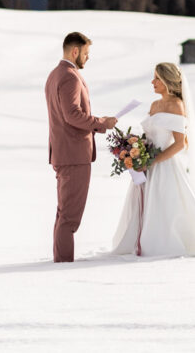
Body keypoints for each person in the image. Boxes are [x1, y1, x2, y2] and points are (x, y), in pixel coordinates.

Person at [112, 62, 195, 257]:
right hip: (146, 166)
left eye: (157, 78)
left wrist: (153, 161)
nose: (152, 82)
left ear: (167, 81)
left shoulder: (176, 105)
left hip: (164, 167)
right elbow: (150, 137)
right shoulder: (154, 105)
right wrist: (133, 149)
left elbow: (180, 144)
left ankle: (160, 244)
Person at [45, 32, 117, 262]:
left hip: (63, 152)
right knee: (70, 218)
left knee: (64, 213)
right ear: (74, 51)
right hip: (74, 154)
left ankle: (60, 259)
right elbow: (72, 115)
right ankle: (63, 264)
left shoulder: (54, 75)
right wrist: (101, 123)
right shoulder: (70, 77)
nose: (88, 58)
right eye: (86, 53)